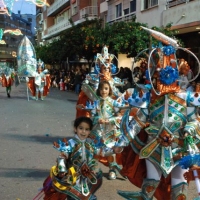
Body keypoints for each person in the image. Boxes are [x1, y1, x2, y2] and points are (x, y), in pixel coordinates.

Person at [115, 28, 200, 200]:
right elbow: (137, 122)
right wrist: (122, 141)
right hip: (153, 146)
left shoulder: (187, 98)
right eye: (158, 75)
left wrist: (190, 129)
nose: (162, 79)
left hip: (180, 146)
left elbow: (194, 120)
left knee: (179, 182)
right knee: (152, 182)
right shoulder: (149, 99)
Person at [38, 116, 115, 200]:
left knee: (88, 196)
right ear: (75, 129)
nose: (83, 131)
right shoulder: (71, 143)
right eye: (81, 128)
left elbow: (101, 152)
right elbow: (62, 157)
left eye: (87, 129)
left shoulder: (91, 144)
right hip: (73, 178)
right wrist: (62, 170)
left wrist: (114, 150)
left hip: (88, 178)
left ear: (90, 131)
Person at [87, 80, 127, 180]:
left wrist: (107, 121)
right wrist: (97, 119)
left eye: (106, 88)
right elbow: (92, 116)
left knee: (110, 151)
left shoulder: (113, 102)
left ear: (109, 90)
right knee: (96, 151)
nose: (103, 91)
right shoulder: (96, 102)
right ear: (98, 90)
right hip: (98, 130)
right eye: (101, 89)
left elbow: (119, 117)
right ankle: (93, 170)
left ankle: (112, 169)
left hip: (110, 131)